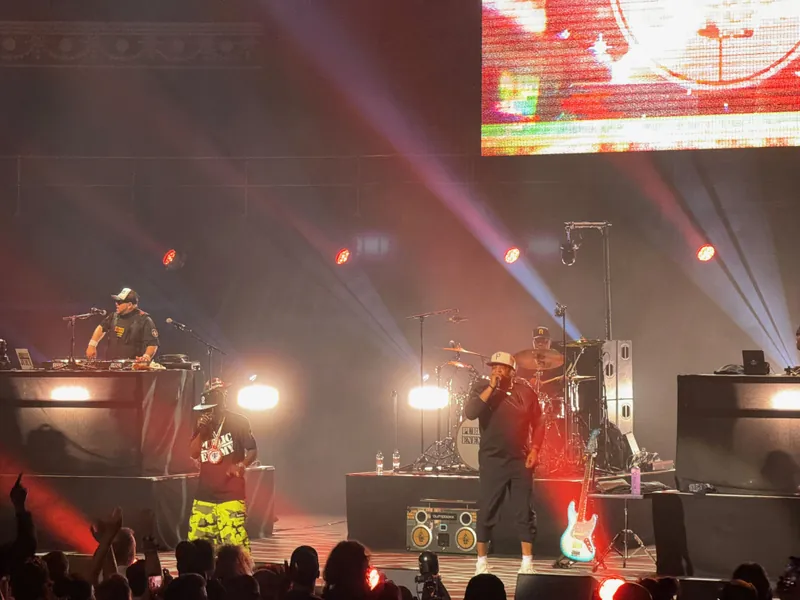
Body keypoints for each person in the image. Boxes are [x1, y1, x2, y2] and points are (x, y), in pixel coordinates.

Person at [464, 351, 544, 576]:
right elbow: (470, 413)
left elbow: (539, 423)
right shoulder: (481, 389)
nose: (497, 370)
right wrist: (491, 388)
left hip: (520, 460)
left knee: (524, 511)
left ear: (512, 371)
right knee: (487, 509)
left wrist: (536, 449)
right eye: (494, 367)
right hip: (492, 461)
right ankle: (481, 562)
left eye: (502, 367)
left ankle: (527, 562)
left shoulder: (526, 393)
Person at [189, 378, 258, 549]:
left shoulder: (238, 422)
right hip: (204, 496)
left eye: (209, 410)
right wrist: (201, 432)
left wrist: (241, 465)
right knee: (198, 547)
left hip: (230, 495)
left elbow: (252, 449)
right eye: (203, 410)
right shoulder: (201, 424)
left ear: (218, 406)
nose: (205, 413)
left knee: (235, 547)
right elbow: (193, 453)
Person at [86, 288, 159, 362]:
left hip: (132, 367)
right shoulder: (113, 316)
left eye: (119, 302)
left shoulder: (144, 319)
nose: (116, 304)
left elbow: (152, 343)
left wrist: (146, 356)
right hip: (110, 365)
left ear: (129, 305)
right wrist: (92, 345)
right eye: (116, 301)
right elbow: (101, 328)